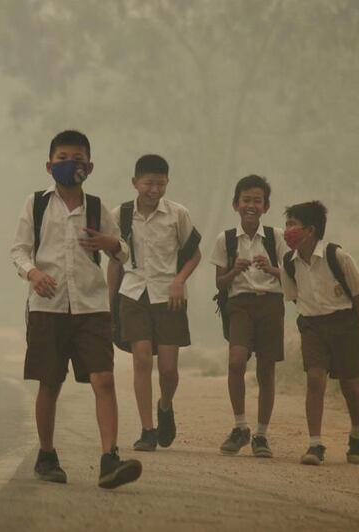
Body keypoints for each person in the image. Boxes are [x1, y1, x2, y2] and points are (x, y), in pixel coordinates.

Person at [10, 129, 142, 489]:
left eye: (78, 159)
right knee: (49, 383)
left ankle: (108, 458)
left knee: (104, 380)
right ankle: (47, 454)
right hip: (47, 307)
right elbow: (19, 250)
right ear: (49, 165)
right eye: (64, 158)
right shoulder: (36, 204)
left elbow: (123, 251)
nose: (71, 165)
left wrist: (111, 243)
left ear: (90, 166)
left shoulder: (98, 208)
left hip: (91, 306)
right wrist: (33, 272)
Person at [108, 154, 201, 453]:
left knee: (170, 369)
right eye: (148, 183)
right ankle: (147, 429)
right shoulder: (120, 215)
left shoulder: (178, 214)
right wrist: (111, 301)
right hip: (133, 293)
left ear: (167, 183)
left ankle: (165, 405)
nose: (154, 189)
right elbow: (114, 262)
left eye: (160, 184)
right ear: (135, 183)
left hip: (169, 296)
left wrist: (179, 281)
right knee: (142, 359)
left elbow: (194, 254)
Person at [280, 201, 359, 466]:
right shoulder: (288, 262)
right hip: (312, 326)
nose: (287, 231)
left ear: (310, 230)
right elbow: (294, 297)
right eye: (286, 225)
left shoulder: (337, 256)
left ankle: (357, 434)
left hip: (344, 323)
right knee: (315, 380)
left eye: (292, 225)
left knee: (350, 385)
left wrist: (358, 325)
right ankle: (315, 444)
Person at [210, 175, 287, 458]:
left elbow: (292, 277)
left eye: (257, 200)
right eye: (246, 200)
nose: (251, 206)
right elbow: (220, 283)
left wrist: (272, 269)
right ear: (236, 204)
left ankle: (261, 435)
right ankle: (240, 426)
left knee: (266, 370)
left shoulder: (277, 237)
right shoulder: (226, 239)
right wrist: (234, 271)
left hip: (270, 304)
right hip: (239, 305)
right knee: (236, 361)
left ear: (266, 206)